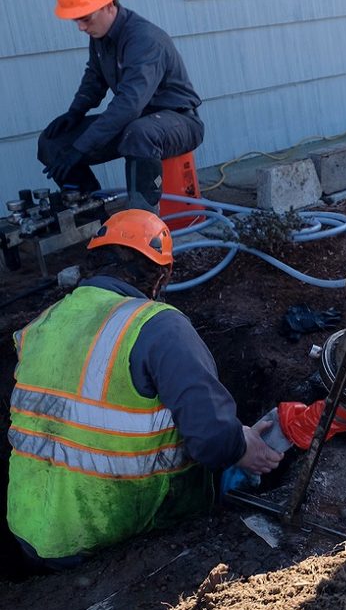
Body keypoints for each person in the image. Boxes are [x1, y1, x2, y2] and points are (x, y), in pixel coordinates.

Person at [6, 210, 283, 569]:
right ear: (162, 276)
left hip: (28, 527)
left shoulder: (40, 325)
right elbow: (213, 440)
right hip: (101, 536)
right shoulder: (158, 326)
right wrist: (243, 446)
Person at [38, 0, 205, 212]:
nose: (81, 27)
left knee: (138, 133)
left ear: (107, 4)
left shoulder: (144, 40)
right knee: (53, 142)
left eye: (85, 19)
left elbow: (128, 105)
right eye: (76, 21)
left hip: (179, 120)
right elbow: (94, 79)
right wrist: (75, 112)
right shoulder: (100, 36)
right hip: (136, 121)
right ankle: (92, 216)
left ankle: (142, 230)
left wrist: (80, 148)